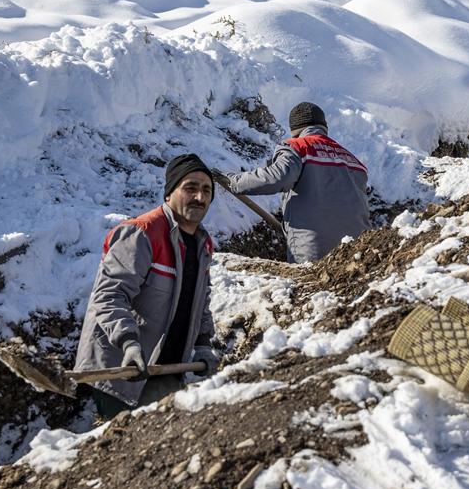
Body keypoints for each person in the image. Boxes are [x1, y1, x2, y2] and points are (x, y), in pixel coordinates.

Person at [74, 154, 220, 418]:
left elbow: (200, 301)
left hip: (166, 367)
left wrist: (203, 343)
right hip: (123, 369)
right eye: (190, 188)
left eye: (206, 190)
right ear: (169, 193)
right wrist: (129, 343)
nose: (200, 197)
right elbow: (110, 296)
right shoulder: (141, 234)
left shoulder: (201, 244)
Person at [218, 102, 371, 264]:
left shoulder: (297, 146)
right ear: (323, 126)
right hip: (356, 250)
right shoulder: (354, 160)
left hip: (311, 248)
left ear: (295, 129)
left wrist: (234, 181)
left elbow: (276, 177)